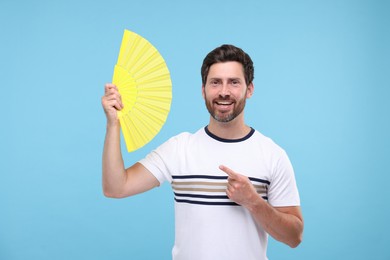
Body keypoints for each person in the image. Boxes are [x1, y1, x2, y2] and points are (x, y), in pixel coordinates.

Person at [101, 44, 303, 260]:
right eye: (215, 82)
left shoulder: (272, 155)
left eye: (234, 82)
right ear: (203, 89)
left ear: (249, 89)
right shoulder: (178, 149)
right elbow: (116, 187)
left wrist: (253, 201)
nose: (224, 91)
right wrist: (114, 124)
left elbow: (294, 237)